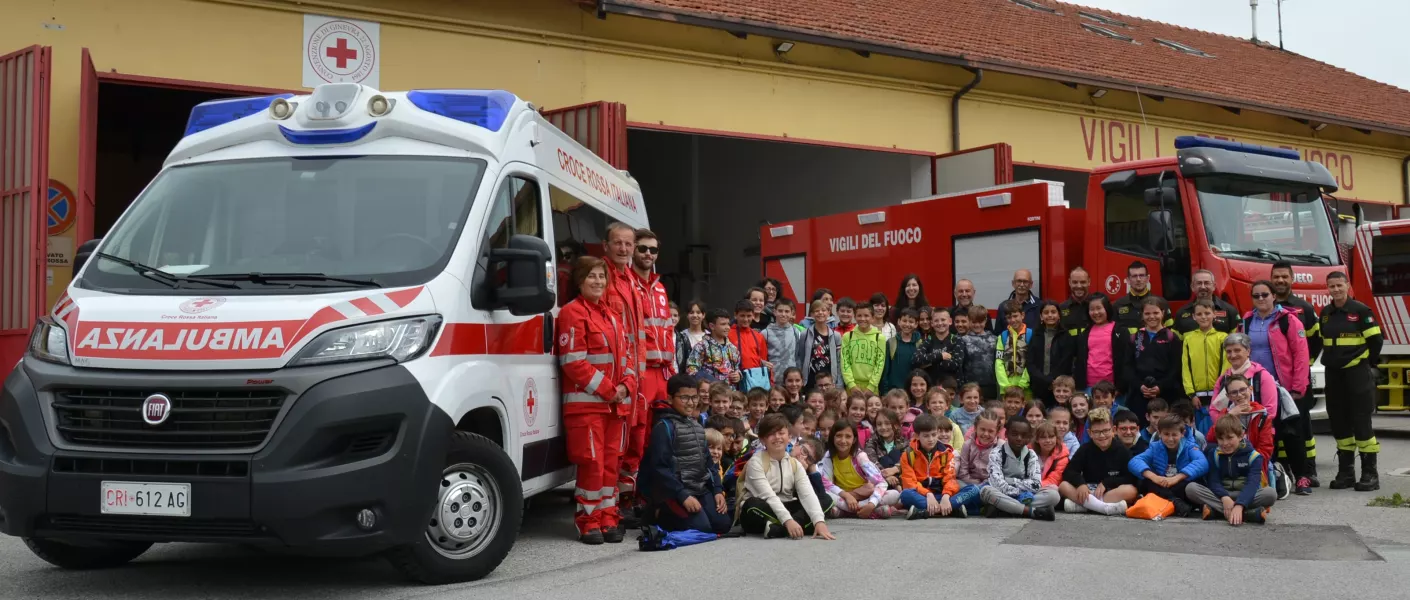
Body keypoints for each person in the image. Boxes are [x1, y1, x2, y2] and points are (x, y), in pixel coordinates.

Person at [557, 256, 634, 544]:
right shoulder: (572, 313)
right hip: (586, 405)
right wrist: (609, 389)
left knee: (612, 463)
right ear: (579, 280)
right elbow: (572, 362)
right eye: (591, 276)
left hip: (614, 406)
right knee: (592, 464)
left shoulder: (612, 316)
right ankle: (587, 521)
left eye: (602, 276)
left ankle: (608, 518)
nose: (598, 281)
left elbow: (626, 356)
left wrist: (626, 385)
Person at [1240, 280, 1312, 494]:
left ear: (1274, 296)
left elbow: (1301, 354)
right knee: (1265, 432)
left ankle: (1303, 477)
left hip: (1283, 387)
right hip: (1256, 386)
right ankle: (1275, 475)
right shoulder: (1246, 321)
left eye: (1265, 295)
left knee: (1292, 433)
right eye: (1256, 296)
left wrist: (1298, 386)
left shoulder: (1287, 320)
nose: (1261, 299)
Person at [639, 374, 731, 534]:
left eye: (694, 397)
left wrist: (717, 490)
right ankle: (657, 512)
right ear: (670, 398)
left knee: (723, 524)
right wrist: (682, 495)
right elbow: (659, 469)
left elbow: (710, 465)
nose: (690, 403)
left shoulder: (697, 426)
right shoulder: (663, 427)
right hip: (674, 492)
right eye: (684, 398)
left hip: (699, 488)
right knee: (701, 528)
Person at [1319, 271, 1383, 491]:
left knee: (1361, 422)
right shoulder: (1326, 313)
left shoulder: (1361, 311)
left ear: (1347, 285)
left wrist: (1365, 363)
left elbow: (1376, 341)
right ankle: (1346, 473)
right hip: (1334, 375)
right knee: (1339, 422)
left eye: (1339, 285)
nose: (1335, 289)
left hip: (1357, 374)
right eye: (1331, 286)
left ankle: (1370, 474)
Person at [602, 223, 647, 523]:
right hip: (615, 374)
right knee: (612, 446)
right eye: (617, 243)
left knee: (632, 441)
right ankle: (610, 506)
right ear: (605, 245)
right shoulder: (602, 277)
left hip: (633, 376)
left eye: (628, 244)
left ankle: (622, 500)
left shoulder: (630, 279)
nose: (623, 248)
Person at [737, 413, 836, 539]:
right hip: (763, 509)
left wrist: (819, 522)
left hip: (786, 505)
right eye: (771, 434)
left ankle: (777, 530)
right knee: (752, 505)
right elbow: (768, 496)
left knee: (825, 501)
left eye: (781, 433)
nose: (777, 437)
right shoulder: (756, 462)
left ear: (789, 436)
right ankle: (796, 526)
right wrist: (788, 521)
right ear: (762, 440)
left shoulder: (795, 464)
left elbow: (807, 494)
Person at [632, 229, 676, 497]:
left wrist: (672, 373)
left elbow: (668, 332)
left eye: (653, 250)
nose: (648, 254)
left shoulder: (659, 287)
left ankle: (649, 495)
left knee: (659, 439)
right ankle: (629, 498)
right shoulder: (626, 285)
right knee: (636, 438)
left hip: (663, 375)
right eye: (643, 249)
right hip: (641, 373)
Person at [1271, 261, 1323, 486]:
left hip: (1298, 380)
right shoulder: (1267, 308)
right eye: (1276, 277)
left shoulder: (1304, 308)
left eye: (1284, 276)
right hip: (1275, 380)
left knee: (1302, 425)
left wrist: (1300, 367)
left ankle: (1308, 471)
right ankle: (1285, 471)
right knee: (1278, 426)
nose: (1280, 280)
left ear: (1292, 279)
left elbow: (1315, 340)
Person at [1188, 414, 1275, 525]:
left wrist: (1240, 504)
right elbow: (1213, 481)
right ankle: (1247, 514)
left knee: (1270, 494)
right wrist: (1225, 498)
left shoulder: (1254, 456)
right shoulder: (1214, 454)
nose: (1225, 443)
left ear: (1240, 436)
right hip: (1221, 495)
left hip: (1245, 494)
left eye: (1229, 438)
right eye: (1221, 439)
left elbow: (1252, 484)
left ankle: (1221, 512)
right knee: (1191, 488)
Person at [1058, 407, 1135, 515]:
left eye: (1105, 431)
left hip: (1110, 492)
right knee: (1063, 486)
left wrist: (1107, 482)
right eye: (1097, 432)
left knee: (1131, 490)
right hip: (1088, 491)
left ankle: (1085, 506)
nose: (1102, 436)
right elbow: (1069, 472)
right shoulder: (1085, 449)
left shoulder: (1123, 451)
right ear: (1090, 433)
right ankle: (1104, 508)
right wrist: (1081, 484)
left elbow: (1130, 477)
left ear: (1113, 430)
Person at [1130, 414, 1210, 518]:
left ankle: (1172, 502)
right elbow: (1134, 461)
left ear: (1182, 433)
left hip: (1181, 484)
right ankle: (1175, 502)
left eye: (1174, 435)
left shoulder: (1190, 446)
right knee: (1145, 480)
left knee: (1192, 484)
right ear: (1159, 433)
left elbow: (1202, 462)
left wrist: (1177, 478)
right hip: (1163, 483)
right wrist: (1155, 477)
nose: (1170, 439)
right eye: (1166, 434)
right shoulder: (1155, 447)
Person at [980, 418, 1057, 520]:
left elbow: (1036, 485)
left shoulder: (1031, 455)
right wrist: (1020, 493)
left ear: (1029, 438)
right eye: (1014, 434)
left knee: (1054, 495)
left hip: (1022, 496)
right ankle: (1030, 511)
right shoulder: (997, 453)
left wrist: (1009, 480)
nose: (1019, 438)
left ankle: (1005, 509)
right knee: (986, 491)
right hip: (1011, 494)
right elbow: (997, 484)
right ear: (1006, 434)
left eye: (1024, 435)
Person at [819, 420, 899, 518]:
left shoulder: (860, 457)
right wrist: (847, 496)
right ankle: (865, 512)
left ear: (854, 440)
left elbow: (881, 482)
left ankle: (847, 511)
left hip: (865, 496)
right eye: (839, 436)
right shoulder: (829, 456)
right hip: (843, 497)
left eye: (848, 436)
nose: (843, 441)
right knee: (823, 493)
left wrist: (871, 504)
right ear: (833, 438)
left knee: (894, 494)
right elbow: (826, 484)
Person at [1124, 297, 1183, 426]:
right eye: (1147, 313)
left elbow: (1176, 368)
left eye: (1156, 313)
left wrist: (1160, 387)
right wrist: (1140, 386)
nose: (1152, 317)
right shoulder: (1135, 338)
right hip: (1139, 395)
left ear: (1162, 313)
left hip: (1165, 394)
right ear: (1142, 315)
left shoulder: (1172, 338)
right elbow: (1128, 367)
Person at [899, 414, 965, 519]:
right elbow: (909, 483)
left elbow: (950, 479)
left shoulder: (947, 453)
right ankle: (950, 510)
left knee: (972, 489)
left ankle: (924, 512)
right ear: (916, 436)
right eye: (926, 436)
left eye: (934, 434)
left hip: (942, 495)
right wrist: (928, 494)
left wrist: (946, 496)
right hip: (922, 496)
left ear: (938, 432)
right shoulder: (907, 455)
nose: (931, 439)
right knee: (905, 494)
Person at [1182, 299, 1231, 435]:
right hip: (1197, 397)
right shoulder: (1189, 339)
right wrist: (1191, 394)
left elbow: (1225, 366)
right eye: (1199, 314)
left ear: (1214, 315)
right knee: (1200, 433)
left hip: (1218, 396)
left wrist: (1220, 390)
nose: (1203, 317)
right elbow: (1186, 367)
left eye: (1207, 313)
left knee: (1218, 431)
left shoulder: (1223, 338)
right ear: (1194, 316)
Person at [1207, 374, 1275, 470]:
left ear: (1250, 390)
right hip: (1228, 464)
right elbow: (1211, 439)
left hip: (1254, 466)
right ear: (1228, 396)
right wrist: (1229, 416)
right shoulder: (1226, 413)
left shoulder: (1262, 416)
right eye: (1234, 392)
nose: (1239, 395)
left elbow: (1265, 450)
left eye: (1243, 389)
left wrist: (1245, 464)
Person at [954, 409, 1003, 513]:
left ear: (997, 432)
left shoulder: (1000, 446)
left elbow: (999, 473)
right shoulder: (967, 445)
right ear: (975, 428)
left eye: (990, 431)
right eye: (982, 429)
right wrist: (975, 485)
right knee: (956, 483)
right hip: (969, 483)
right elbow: (963, 472)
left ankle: (972, 506)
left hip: (990, 484)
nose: (986, 434)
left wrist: (983, 485)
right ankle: (981, 506)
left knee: (996, 490)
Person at [1028, 300, 1074, 404]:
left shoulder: (1066, 336)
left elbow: (1065, 361)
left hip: (1059, 387)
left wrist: (1052, 380)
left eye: (1053, 312)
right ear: (1041, 316)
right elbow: (1030, 363)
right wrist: (1044, 380)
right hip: (1038, 386)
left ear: (1059, 315)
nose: (1050, 315)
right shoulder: (1035, 336)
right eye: (1046, 312)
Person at [1074, 295, 1124, 393]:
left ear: (1107, 308)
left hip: (1113, 388)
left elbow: (1125, 360)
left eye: (1099, 308)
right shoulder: (1085, 333)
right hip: (1088, 387)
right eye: (1092, 309)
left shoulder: (1120, 331)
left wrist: (1120, 387)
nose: (1096, 313)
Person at [1112, 261, 1172, 335]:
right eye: (1134, 276)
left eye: (1142, 275)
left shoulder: (1162, 303)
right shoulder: (1118, 305)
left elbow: (1170, 333)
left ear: (1147, 278)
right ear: (1128, 280)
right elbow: (1114, 335)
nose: (1138, 279)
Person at [686, 308, 742, 386]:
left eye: (728, 324)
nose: (727, 327)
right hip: (709, 393)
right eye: (723, 324)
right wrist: (710, 381)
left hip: (729, 394)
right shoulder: (701, 346)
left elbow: (737, 368)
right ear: (712, 326)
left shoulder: (733, 348)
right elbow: (691, 370)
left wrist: (738, 375)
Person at [1174, 270, 1239, 335]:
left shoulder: (1230, 311)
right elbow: (1175, 342)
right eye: (1199, 283)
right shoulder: (1181, 313)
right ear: (1192, 287)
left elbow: (1237, 340)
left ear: (1214, 286)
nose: (1203, 287)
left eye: (1207, 283)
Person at [799, 299, 845, 390]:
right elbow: (801, 358)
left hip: (829, 381)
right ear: (812, 314)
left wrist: (838, 383)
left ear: (828, 313)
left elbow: (839, 361)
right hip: (811, 381)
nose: (820, 313)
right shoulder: (805, 334)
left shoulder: (836, 336)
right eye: (817, 311)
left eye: (823, 310)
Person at [840, 304, 887, 394]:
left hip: (872, 387)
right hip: (852, 387)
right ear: (855, 317)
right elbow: (845, 362)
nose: (862, 319)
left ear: (873, 317)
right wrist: (851, 385)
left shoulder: (879, 338)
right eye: (859, 315)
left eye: (866, 316)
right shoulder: (848, 336)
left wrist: (871, 386)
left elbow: (880, 363)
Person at [915, 307, 966, 386]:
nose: (939, 323)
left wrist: (929, 363)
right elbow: (916, 360)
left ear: (950, 321)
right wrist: (941, 356)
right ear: (932, 323)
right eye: (936, 320)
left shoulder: (957, 340)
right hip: (933, 389)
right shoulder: (928, 341)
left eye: (943, 320)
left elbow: (955, 364)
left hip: (953, 390)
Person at [994, 301, 1034, 396]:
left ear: (1022, 315)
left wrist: (1022, 384)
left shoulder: (1031, 334)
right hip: (1007, 386)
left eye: (1015, 316)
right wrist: (1005, 386)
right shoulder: (1003, 337)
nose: (1012, 320)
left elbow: (1033, 361)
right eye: (1009, 317)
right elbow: (999, 362)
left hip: (1026, 386)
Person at [730, 299, 771, 390]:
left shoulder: (759, 337)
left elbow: (763, 360)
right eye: (742, 316)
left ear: (753, 315)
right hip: (734, 382)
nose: (745, 319)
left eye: (749, 316)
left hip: (754, 382)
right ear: (735, 315)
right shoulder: (728, 334)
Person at [961, 305, 999, 399]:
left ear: (986, 320)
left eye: (980, 322)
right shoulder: (963, 340)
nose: (977, 325)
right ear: (968, 320)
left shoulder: (995, 339)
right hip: (969, 386)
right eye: (974, 322)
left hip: (990, 385)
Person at [882, 308, 923, 393]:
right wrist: (885, 392)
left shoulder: (920, 344)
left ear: (916, 324)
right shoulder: (891, 342)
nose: (907, 324)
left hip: (913, 391)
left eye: (911, 322)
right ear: (899, 321)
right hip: (894, 390)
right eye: (904, 321)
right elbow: (886, 370)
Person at [764, 297, 803, 386]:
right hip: (773, 380)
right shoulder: (765, 333)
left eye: (787, 311)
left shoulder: (796, 332)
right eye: (780, 311)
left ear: (792, 313)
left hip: (791, 381)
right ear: (774, 312)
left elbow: (798, 357)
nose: (783, 314)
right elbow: (761, 356)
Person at [863, 409, 906, 487]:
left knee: (896, 453)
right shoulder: (871, 442)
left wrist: (895, 469)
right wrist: (887, 475)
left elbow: (908, 459)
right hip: (880, 480)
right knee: (884, 460)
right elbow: (871, 461)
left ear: (896, 425)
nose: (883, 427)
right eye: (879, 424)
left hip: (901, 477)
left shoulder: (903, 441)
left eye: (887, 423)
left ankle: (898, 486)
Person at [999, 268, 1044, 333]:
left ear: (1031, 284)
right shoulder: (1003, 307)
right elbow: (998, 333)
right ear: (1013, 283)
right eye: (1019, 281)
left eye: (1025, 281)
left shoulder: (1040, 306)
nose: (1022, 285)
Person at [1059, 267, 1098, 336]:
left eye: (1083, 282)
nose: (1079, 286)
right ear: (1069, 282)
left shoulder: (1099, 307)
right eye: (1075, 282)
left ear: (1089, 282)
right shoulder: (1061, 309)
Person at [1033, 421, 1069, 492]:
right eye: (1043, 437)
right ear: (1037, 439)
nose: (1048, 440)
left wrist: (1033, 487)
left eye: (1051, 437)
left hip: (1046, 489)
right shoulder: (1029, 452)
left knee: (1053, 491)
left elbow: (1054, 480)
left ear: (1056, 438)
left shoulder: (1062, 457)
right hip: (1028, 487)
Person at [677, 301, 709, 374]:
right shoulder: (681, 336)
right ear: (687, 315)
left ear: (703, 315)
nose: (695, 315)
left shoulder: (709, 336)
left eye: (698, 312)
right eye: (691, 312)